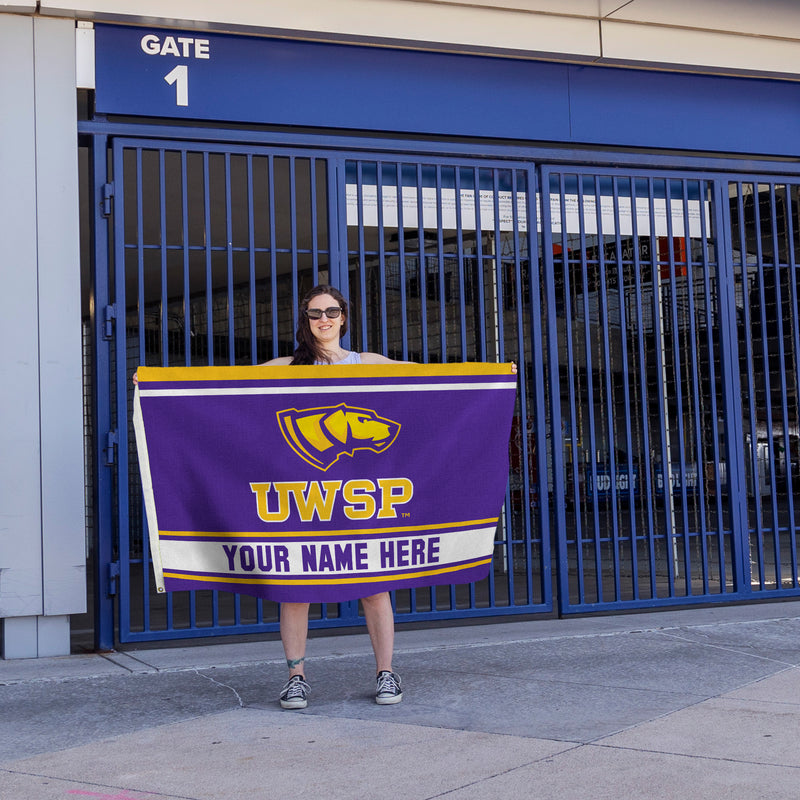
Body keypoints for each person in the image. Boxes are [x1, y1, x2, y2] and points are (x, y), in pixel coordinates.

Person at [263, 284, 406, 710]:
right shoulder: (287, 366)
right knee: (295, 586)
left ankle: (387, 673)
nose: (323, 319)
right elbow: (223, 387)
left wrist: (491, 375)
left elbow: (427, 377)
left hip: (360, 494)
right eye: (314, 313)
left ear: (344, 316)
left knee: (375, 585)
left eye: (331, 311)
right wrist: (160, 383)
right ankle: (296, 677)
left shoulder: (369, 363)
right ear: (304, 320)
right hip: (307, 495)